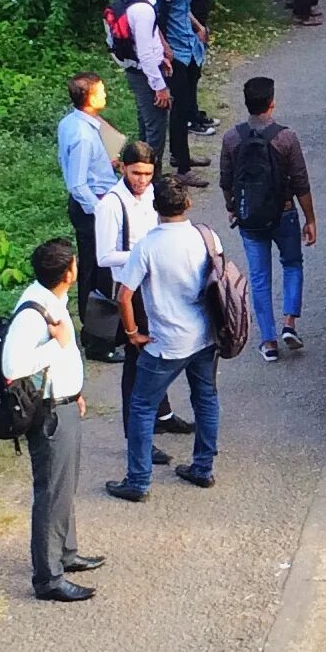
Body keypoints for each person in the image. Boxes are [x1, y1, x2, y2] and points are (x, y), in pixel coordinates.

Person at [108, 174, 224, 501]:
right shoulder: (207, 236)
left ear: (156, 207)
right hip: (205, 336)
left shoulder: (147, 246)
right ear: (187, 203)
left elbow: (124, 296)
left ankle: (139, 481)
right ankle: (202, 468)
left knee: (142, 407)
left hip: (165, 343)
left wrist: (132, 333)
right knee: (205, 398)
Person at [1, 240, 104, 602]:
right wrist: (55, 345)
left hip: (63, 404)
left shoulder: (50, 300)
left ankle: (65, 551)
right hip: (49, 415)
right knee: (51, 491)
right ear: (69, 273)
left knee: (65, 484)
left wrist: (74, 390)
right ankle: (48, 577)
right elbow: (12, 367)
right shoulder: (33, 313)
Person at [95, 140, 190, 460]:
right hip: (130, 292)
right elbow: (104, 256)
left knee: (158, 355)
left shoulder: (152, 194)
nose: (142, 180)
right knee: (138, 366)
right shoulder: (111, 204)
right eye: (136, 173)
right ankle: (137, 437)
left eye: (148, 174)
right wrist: (145, 255)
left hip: (156, 287)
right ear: (122, 167)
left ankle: (162, 416)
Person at [221, 76, 317, 364]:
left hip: (249, 217)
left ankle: (268, 340)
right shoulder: (285, 137)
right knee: (291, 264)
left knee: (259, 277)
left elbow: (226, 180)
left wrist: (233, 207)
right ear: (272, 104)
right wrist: (310, 219)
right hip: (284, 212)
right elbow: (301, 182)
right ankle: (289, 322)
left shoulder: (231, 138)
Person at [56, 72, 119, 357]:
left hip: (90, 205)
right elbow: (78, 183)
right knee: (98, 277)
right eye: (101, 91)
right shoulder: (83, 135)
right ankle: (98, 342)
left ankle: (99, 333)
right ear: (90, 97)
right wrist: (101, 211)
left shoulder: (72, 123)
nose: (105, 94)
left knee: (94, 272)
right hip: (91, 209)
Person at [158, 0, 210, 189]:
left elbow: (183, 8)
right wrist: (165, 48)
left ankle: (184, 156)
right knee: (178, 112)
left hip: (190, 49)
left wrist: (198, 27)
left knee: (187, 106)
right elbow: (154, 20)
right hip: (175, 54)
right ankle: (182, 168)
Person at [114, 0, 171, 171]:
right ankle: (151, 182)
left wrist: (162, 55)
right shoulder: (144, 9)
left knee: (145, 126)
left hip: (134, 70)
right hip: (146, 74)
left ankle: (141, 175)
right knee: (155, 131)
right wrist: (160, 87)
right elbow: (146, 53)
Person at [182, 0, 222, 131]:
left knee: (195, 72)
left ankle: (194, 112)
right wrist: (197, 27)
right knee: (189, 73)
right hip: (189, 29)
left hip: (200, 26)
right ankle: (189, 118)